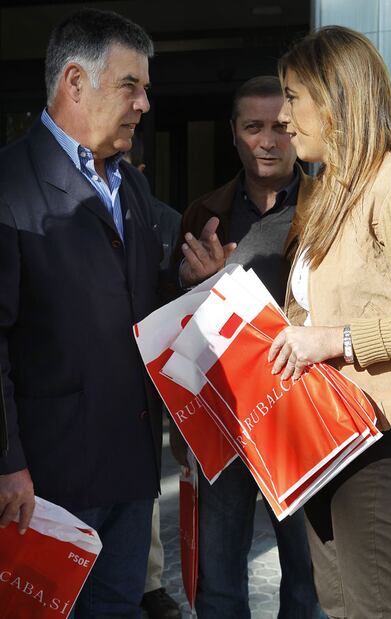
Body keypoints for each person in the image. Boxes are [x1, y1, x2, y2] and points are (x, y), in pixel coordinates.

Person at [0, 8, 164, 618]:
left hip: (131, 464)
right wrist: (7, 461)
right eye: (131, 85)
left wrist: (189, 280)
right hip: (47, 479)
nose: (144, 103)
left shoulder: (134, 188)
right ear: (75, 82)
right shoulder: (10, 183)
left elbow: (135, 299)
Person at [267, 25, 391, 619]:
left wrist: (340, 341)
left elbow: (340, 329)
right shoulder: (326, 192)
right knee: (339, 604)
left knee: (372, 610)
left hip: (383, 438)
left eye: (293, 96)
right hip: (324, 436)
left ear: (337, 99)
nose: (282, 116)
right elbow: (313, 313)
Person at [171, 76, 325, 618]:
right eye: (253, 127)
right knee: (219, 581)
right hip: (227, 418)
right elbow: (176, 331)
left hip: (302, 421)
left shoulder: (328, 209)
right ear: (234, 134)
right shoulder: (204, 215)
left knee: (308, 586)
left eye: (281, 127)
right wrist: (204, 288)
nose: (268, 140)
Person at [125, 134, 182, 619]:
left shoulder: (165, 220)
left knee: (144, 485)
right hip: (97, 375)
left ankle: (149, 583)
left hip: (145, 379)